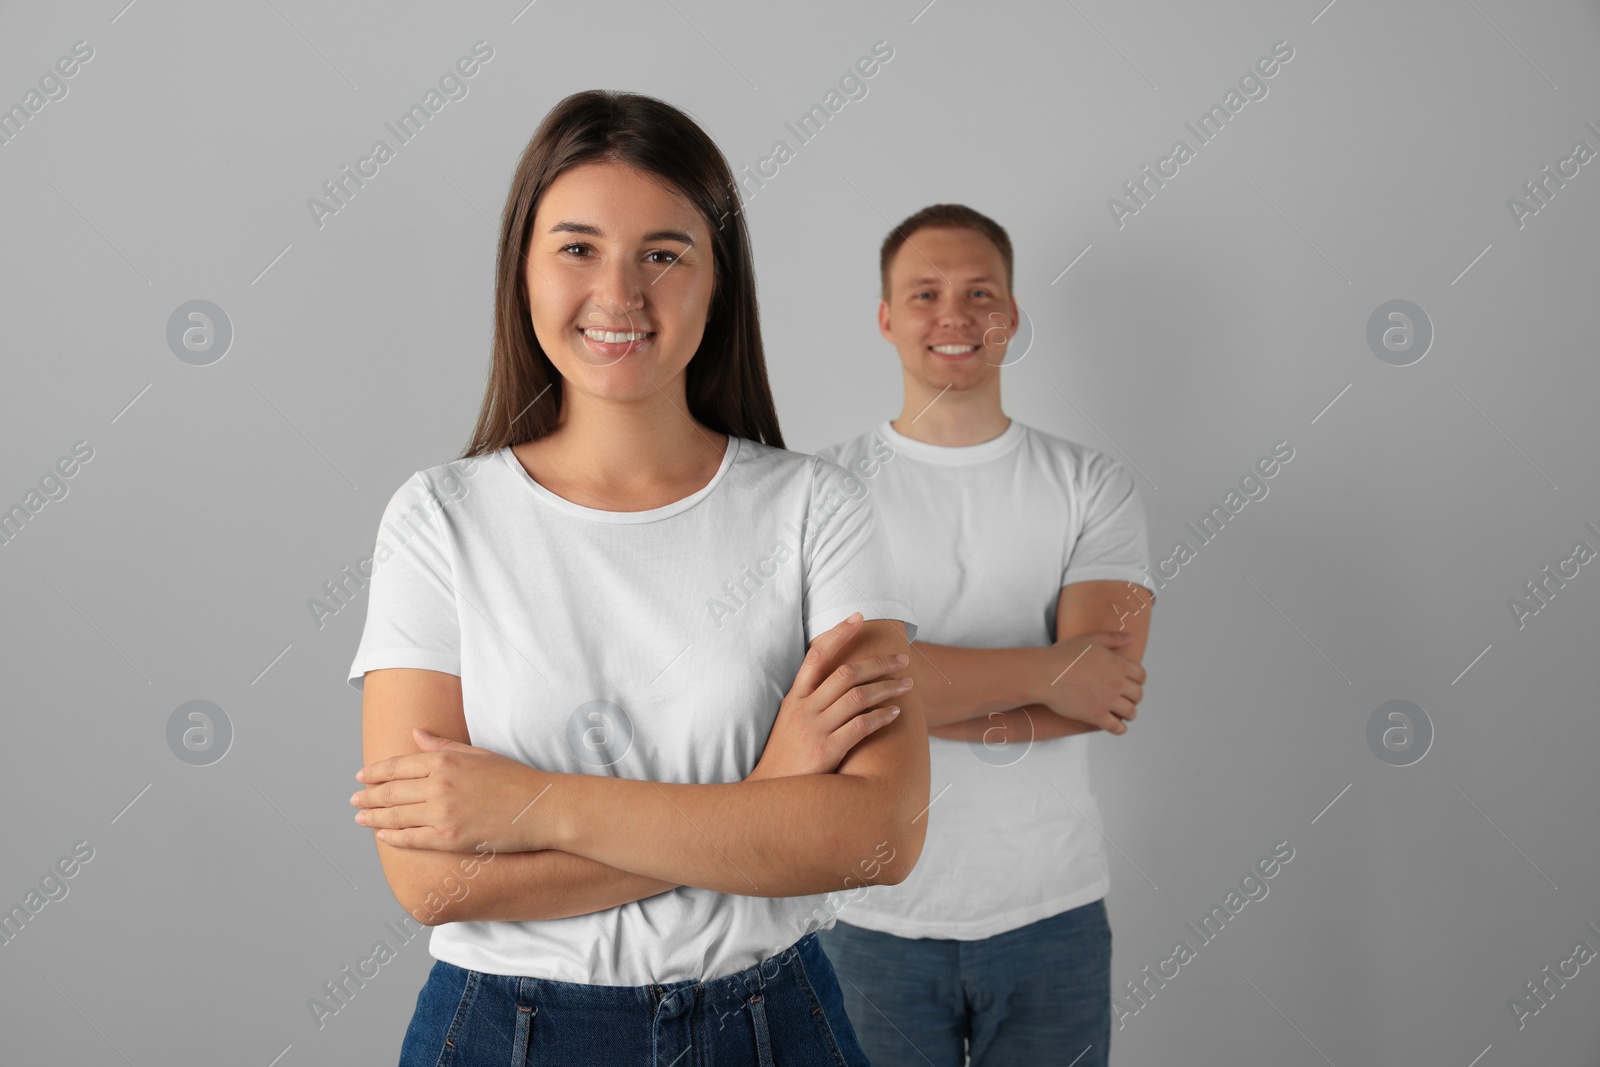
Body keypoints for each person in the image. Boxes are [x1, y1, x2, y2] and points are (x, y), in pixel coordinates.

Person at [344, 90, 930, 1066]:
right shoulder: (437, 519)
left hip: (771, 1023)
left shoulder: (817, 510)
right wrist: (764, 796)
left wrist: (534, 806)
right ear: (522, 269)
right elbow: (431, 881)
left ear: (717, 281)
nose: (620, 292)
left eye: (663, 253)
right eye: (577, 248)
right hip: (507, 1031)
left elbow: (878, 834)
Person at [815, 203, 1156, 1067]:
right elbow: (826, 690)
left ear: (1012, 314)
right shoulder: (822, 491)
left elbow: (1102, 691)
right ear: (887, 317)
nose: (954, 314)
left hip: (1053, 915)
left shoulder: (1090, 483)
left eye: (979, 292)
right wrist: (1051, 670)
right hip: (868, 915)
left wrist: (903, 691)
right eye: (925, 293)